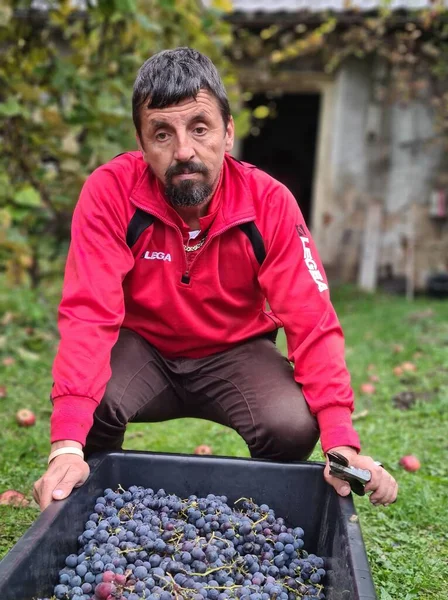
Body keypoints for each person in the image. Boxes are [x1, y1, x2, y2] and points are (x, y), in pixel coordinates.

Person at [33, 47, 398, 510]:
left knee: (291, 424)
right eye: (162, 133)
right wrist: (65, 441)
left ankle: (260, 512)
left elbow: (312, 319)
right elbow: (89, 313)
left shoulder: (269, 203)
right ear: (141, 143)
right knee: (92, 407)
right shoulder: (110, 192)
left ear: (228, 133)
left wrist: (341, 440)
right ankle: (94, 493)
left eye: (199, 128)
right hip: (142, 350)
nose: (183, 150)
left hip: (235, 352)